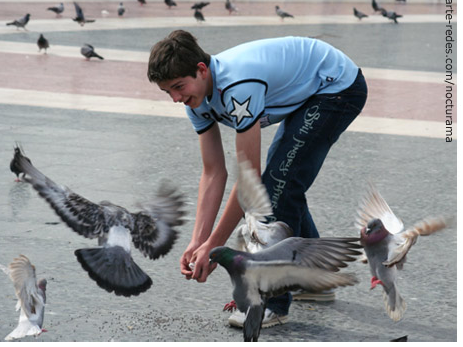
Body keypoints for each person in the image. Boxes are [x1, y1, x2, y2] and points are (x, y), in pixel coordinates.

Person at [147, 30, 368, 328]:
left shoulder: (239, 85)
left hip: (337, 86)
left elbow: (249, 180)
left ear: (201, 70)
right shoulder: (195, 99)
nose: (175, 98)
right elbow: (213, 172)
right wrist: (198, 240)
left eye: (178, 87)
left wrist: (215, 245)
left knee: (280, 185)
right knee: (283, 182)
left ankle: (271, 303)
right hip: (310, 88)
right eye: (167, 92)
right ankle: (316, 279)